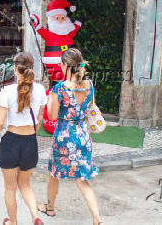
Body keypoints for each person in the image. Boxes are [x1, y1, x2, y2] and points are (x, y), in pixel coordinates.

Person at [37, 48, 103, 225]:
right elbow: (91, 108)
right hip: (83, 136)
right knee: (82, 180)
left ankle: (50, 208)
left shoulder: (59, 89)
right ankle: (97, 218)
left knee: (54, 173)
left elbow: (52, 117)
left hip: (64, 138)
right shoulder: (89, 85)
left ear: (66, 66)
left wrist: (50, 99)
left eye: (61, 62)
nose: (60, 65)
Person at [0, 52, 46, 225]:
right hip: (30, 142)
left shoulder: (7, 91)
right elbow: (39, 120)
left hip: (11, 142)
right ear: (31, 68)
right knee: (25, 185)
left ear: (14, 68)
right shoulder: (40, 90)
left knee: (10, 188)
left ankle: (13, 222)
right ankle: (36, 216)